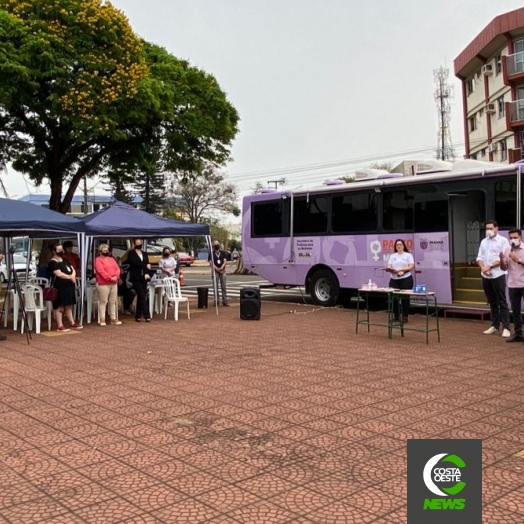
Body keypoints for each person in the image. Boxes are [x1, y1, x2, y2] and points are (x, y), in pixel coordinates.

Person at [477, 220, 511, 337]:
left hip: (498, 274)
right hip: (485, 275)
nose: (488, 231)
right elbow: (479, 257)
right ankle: (495, 325)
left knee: (502, 300)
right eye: (487, 228)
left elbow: (504, 258)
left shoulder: (503, 241)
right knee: (492, 301)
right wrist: (483, 268)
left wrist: (490, 266)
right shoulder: (483, 242)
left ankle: (506, 327)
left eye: (491, 228)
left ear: (497, 228)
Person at [48, 243, 83, 332]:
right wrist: (70, 277)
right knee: (60, 307)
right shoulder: (53, 262)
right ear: (53, 251)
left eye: (61, 250)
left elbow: (72, 269)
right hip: (59, 286)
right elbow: (58, 273)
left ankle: (72, 322)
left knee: (68, 306)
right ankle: (60, 325)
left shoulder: (65, 259)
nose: (61, 251)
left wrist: (73, 276)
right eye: (59, 250)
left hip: (68, 286)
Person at [499, 228, 524, 343]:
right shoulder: (508, 250)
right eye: (511, 238)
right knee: (515, 311)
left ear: (520, 238)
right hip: (513, 284)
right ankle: (518, 333)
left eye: (515, 237)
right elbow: (504, 268)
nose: (513, 240)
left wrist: (517, 259)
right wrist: (501, 260)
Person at [94, 244, 122, 327]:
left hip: (113, 283)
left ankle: (113, 318)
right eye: (104, 250)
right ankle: (102, 319)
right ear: (100, 251)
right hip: (103, 284)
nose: (106, 251)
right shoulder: (98, 260)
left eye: (107, 250)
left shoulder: (112, 259)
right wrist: (110, 278)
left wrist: (116, 277)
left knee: (112, 301)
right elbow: (100, 271)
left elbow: (117, 269)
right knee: (103, 302)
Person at [387, 239, 414, 323]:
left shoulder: (408, 255)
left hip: (406, 279)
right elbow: (389, 266)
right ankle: (396, 316)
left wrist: (401, 269)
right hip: (394, 279)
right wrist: (391, 270)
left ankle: (405, 316)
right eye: (397, 245)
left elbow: (411, 266)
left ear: (403, 246)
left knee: (405, 298)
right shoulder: (392, 256)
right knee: (394, 298)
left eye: (400, 244)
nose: (398, 246)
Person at [126, 238, 152, 322]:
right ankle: (147, 315)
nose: (139, 244)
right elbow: (134, 263)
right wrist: (144, 266)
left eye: (140, 242)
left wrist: (147, 273)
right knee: (142, 295)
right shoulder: (131, 253)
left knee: (142, 295)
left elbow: (147, 264)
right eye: (137, 243)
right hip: (135, 277)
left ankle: (137, 316)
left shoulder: (144, 253)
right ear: (134, 244)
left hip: (143, 277)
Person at [209, 241, 229, 306]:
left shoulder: (223, 253)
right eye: (215, 244)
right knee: (215, 287)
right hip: (215, 271)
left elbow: (225, 261)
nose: (216, 245)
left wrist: (221, 268)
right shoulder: (211, 253)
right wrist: (217, 269)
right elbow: (211, 263)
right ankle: (216, 301)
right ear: (213, 246)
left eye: (217, 244)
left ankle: (225, 301)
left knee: (224, 286)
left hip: (222, 271)